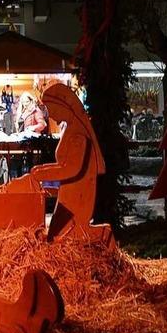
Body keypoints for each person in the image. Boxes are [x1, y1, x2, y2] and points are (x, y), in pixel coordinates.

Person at [30, 84, 114, 248]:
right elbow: (64, 164)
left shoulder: (78, 135)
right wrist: (41, 170)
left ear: (63, 106)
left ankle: (105, 236)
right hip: (69, 192)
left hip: (79, 192)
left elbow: (72, 168)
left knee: (72, 231)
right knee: (58, 234)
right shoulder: (70, 129)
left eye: (51, 109)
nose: (51, 114)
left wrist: (42, 174)